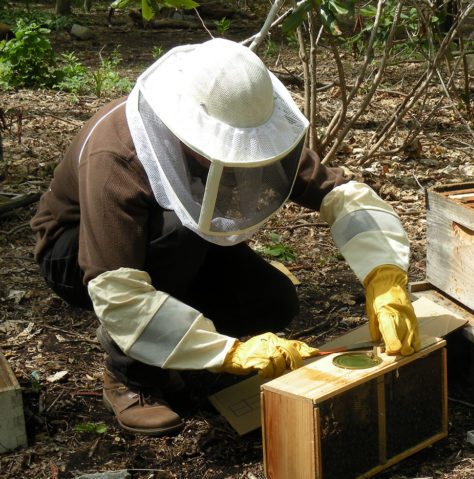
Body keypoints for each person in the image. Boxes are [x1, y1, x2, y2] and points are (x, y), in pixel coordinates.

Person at [30, 38, 420, 436]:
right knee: (177, 233)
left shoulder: (243, 120)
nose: (245, 153)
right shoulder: (116, 155)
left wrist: (384, 275)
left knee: (273, 302)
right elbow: (115, 286)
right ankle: (130, 372)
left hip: (182, 244)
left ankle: (171, 339)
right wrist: (230, 352)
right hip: (80, 255)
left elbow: (338, 192)